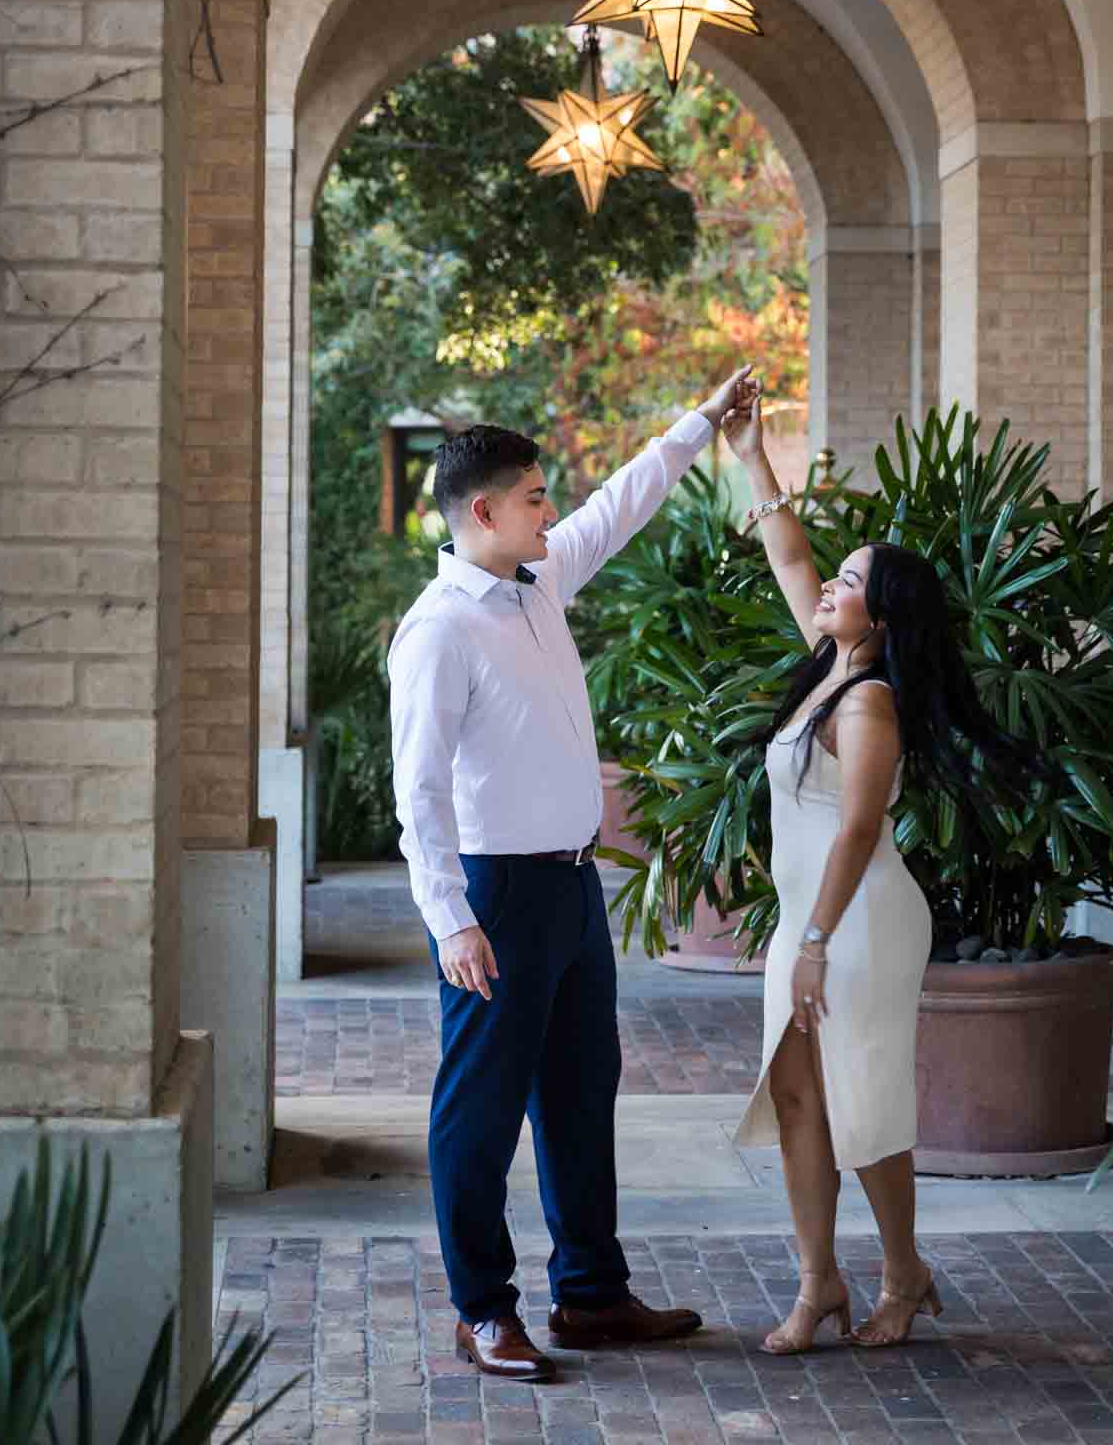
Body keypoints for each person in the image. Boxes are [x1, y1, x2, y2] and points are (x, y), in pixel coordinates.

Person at [388, 368, 754, 1382]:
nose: (554, 508)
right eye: (537, 495)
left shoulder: (540, 579)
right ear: (485, 510)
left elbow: (622, 502)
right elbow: (415, 792)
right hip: (492, 896)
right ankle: (482, 1308)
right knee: (482, 1103)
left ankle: (590, 1294)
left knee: (583, 1088)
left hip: (571, 886)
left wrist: (699, 421)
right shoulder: (438, 628)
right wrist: (450, 918)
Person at [722, 387, 1038, 1354]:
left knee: (862, 1100)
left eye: (848, 579)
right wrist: (750, 454)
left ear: (884, 614)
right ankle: (819, 1284)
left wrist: (814, 942)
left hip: (854, 921)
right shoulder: (828, 662)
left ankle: (904, 1275)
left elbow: (858, 828)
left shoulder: (866, 703)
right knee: (794, 1094)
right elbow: (788, 554)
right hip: (812, 919)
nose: (826, 585)